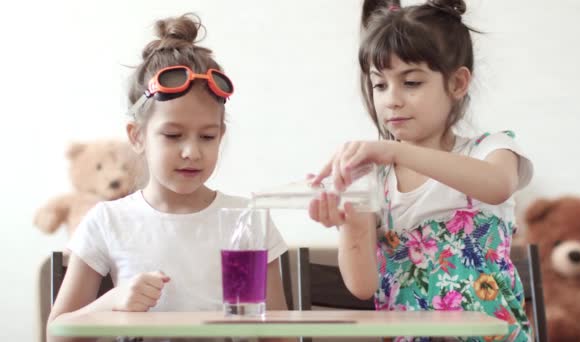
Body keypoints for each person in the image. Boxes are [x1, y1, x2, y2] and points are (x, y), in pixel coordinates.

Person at [47, 13, 289, 342]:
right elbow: (57, 332)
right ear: (137, 136)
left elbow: (280, 336)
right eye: (173, 135)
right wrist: (112, 302)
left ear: (221, 134)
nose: (192, 151)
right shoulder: (107, 221)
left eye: (207, 137)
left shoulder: (247, 221)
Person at [308, 1, 533, 341]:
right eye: (380, 85)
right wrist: (351, 223)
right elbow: (362, 286)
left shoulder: (491, 149)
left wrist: (396, 150)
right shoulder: (376, 179)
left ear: (457, 83)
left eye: (410, 83)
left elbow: (498, 185)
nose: (391, 100)